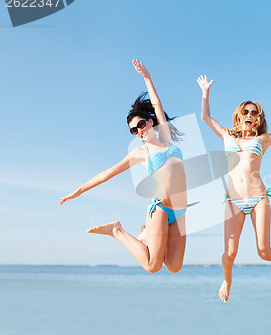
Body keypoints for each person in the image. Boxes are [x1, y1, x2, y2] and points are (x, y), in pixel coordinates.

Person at [60, 60, 187, 273]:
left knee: (174, 266)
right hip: (161, 208)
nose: (138, 131)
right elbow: (106, 174)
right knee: (152, 265)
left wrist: (147, 77)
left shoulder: (166, 139)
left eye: (141, 124)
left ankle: (147, 235)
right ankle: (117, 230)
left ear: (150, 121)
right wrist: (78, 191)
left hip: (180, 210)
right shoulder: (139, 153)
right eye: (133, 131)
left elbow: (156, 104)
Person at [197, 75, 271, 302]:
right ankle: (227, 280)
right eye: (246, 112)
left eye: (254, 113)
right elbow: (205, 116)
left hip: (258, 199)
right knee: (230, 253)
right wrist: (205, 92)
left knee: (263, 252)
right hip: (233, 201)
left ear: (258, 119)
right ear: (239, 115)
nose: (250, 116)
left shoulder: (263, 139)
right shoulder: (227, 135)